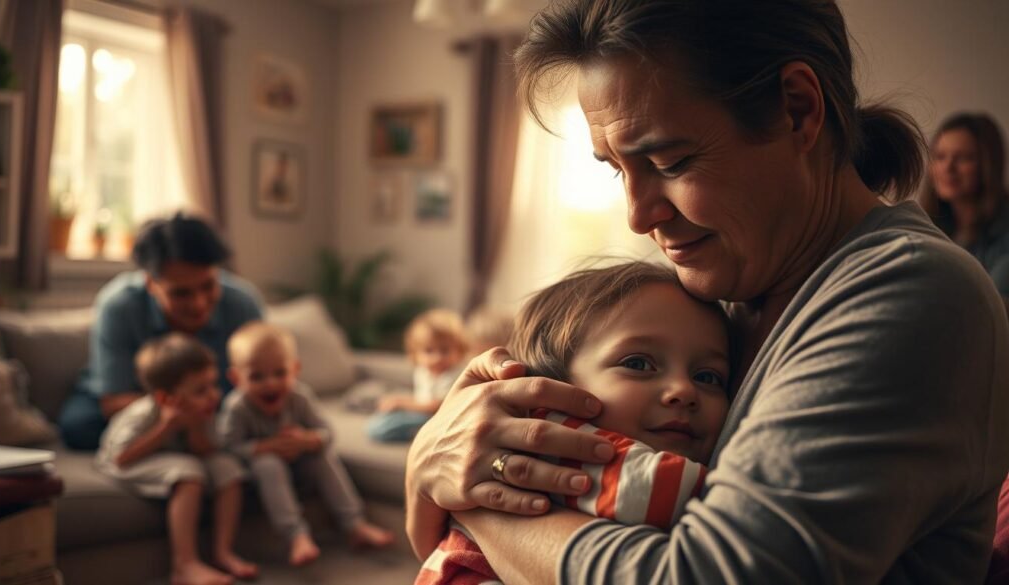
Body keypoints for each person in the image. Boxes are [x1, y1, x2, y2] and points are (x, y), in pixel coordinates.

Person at [403, 1, 1009, 583]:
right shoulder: (728, 292)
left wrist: (473, 498)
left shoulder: (912, 294)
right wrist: (448, 441)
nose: (637, 217)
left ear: (796, 109)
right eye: (618, 169)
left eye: (670, 162)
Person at [416, 262, 729, 584]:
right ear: (553, 384)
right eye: (638, 363)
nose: (684, 390)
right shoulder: (564, 439)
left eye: (707, 376)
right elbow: (668, 492)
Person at [59, 212, 264, 450]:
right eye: (181, 293)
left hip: (219, 406)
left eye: (208, 286)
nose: (198, 303)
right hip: (140, 405)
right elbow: (114, 398)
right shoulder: (119, 305)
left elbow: (262, 384)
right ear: (150, 283)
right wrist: (179, 414)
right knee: (78, 425)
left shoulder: (243, 304)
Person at [218, 322, 394, 566]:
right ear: (236, 378)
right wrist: (266, 447)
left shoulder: (299, 397)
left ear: (295, 369)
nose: (270, 383)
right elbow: (228, 447)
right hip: (260, 474)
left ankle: (354, 524)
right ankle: (296, 536)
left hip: (299, 464)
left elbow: (327, 433)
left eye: (280, 373)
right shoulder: (237, 407)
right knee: (268, 464)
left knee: (323, 456)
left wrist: (309, 439)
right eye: (257, 376)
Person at [95, 333, 257, 585]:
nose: (213, 395)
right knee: (189, 471)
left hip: (171, 456)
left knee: (228, 468)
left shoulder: (204, 409)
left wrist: (195, 427)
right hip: (125, 460)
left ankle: (223, 552)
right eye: (201, 390)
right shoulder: (142, 414)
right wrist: (166, 427)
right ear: (164, 398)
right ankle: (184, 565)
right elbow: (121, 457)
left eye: (213, 385)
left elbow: (206, 450)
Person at [920, 112, 1009, 302]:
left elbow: (997, 307)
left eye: (964, 158)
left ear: (988, 165)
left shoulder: (1004, 231)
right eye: (940, 156)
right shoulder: (927, 225)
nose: (948, 168)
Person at [366, 309, 467, 442]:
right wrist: (397, 401)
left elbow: (436, 406)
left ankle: (423, 435)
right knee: (378, 420)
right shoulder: (422, 371)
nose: (437, 358)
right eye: (429, 351)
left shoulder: (454, 375)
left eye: (444, 350)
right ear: (415, 354)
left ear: (459, 351)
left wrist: (402, 403)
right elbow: (423, 398)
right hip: (422, 413)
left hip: (438, 417)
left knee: (380, 429)